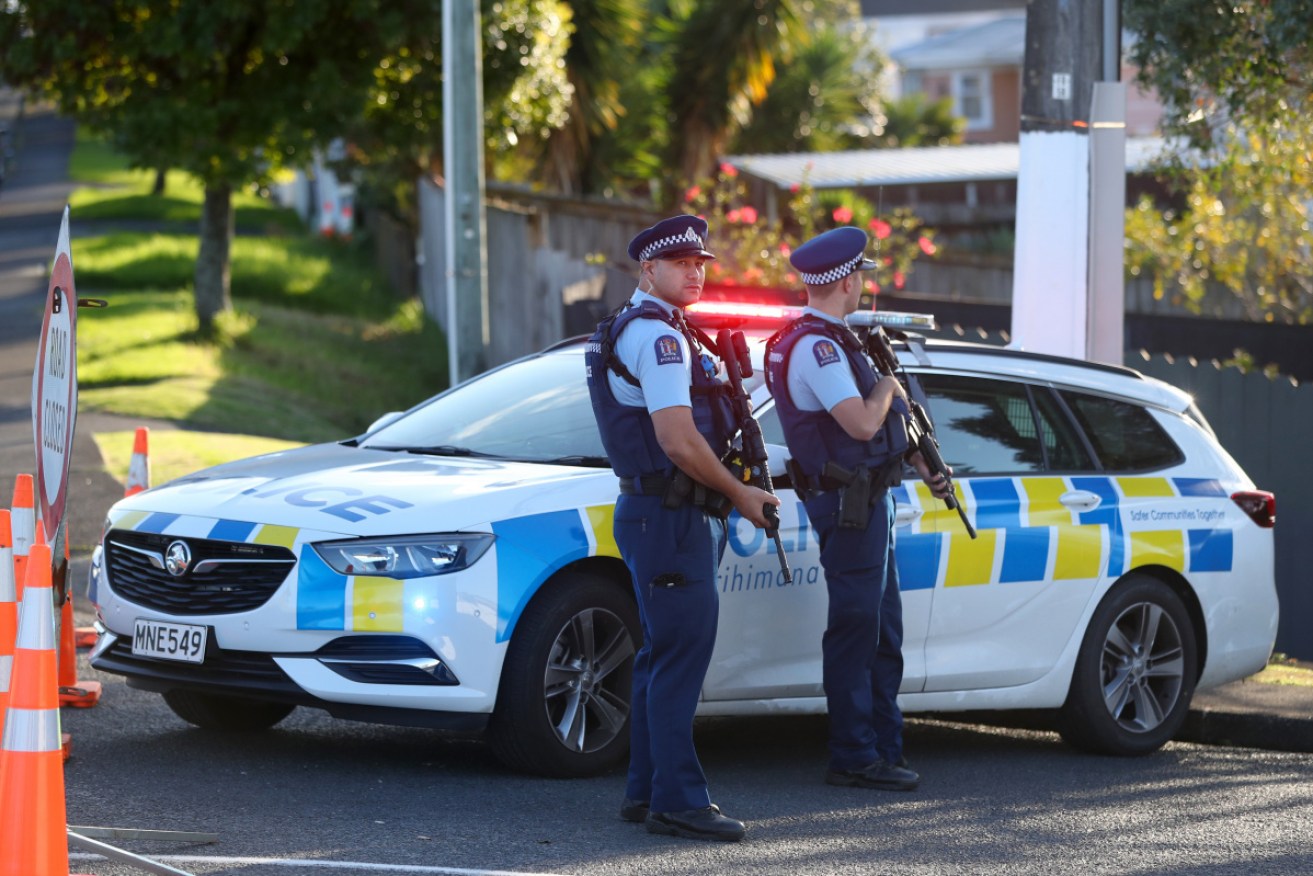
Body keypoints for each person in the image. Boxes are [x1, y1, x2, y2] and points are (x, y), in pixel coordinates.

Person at [585, 214, 779, 842]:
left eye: (702, 262)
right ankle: (679, 802)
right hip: (670, 515)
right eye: (682, 263)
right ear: (649, 269)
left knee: (659, 657)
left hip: (660, 514)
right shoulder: (658, 338)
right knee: (678, 660)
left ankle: (646, 793)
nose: (696, 271)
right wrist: (741, 493)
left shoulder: (662, 329)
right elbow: (676, 439)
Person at [763, 226, 950, 791]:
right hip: (849, 505)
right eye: (861, 276)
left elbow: (884, 434)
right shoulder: (818, 348)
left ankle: (881, 748)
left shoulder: (839, 340)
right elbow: (863, 423)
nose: (864, 285)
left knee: (880, 628)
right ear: (846, 281)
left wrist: (924, 465)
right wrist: (890, 387)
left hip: (869, 502)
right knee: (856, 629)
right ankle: (853, 753)